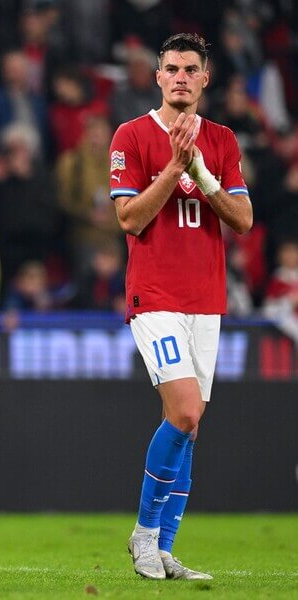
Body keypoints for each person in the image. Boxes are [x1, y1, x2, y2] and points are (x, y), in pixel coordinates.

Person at [109, 33, 253, 581]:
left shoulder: (221, 139)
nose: (181, 78)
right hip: (156, 296)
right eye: (171, 69)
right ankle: (144, 534)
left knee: (189, 426)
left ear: (205, 77)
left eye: (191, 69)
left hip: (206, 299)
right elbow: (129, 220)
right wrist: (175, 167)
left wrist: (203, 171)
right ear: (158, 77)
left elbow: (241, 220)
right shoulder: (132, 136)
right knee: (185, 411)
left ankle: (166, 547)